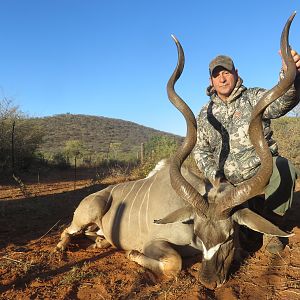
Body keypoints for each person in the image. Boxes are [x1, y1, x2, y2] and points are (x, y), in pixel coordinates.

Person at [193, 51, 300, 254]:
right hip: (227, 186)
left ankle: (273, 228)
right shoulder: (205, 113)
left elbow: (284, 101)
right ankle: (243, 223)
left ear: (236, 73)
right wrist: (216, 178)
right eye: (217, 75)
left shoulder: (253, 97)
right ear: (211, 80)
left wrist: (290, 74)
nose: (222, 78)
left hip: (261, 177)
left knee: (284, 168)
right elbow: (200, 150)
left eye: (226, 72)